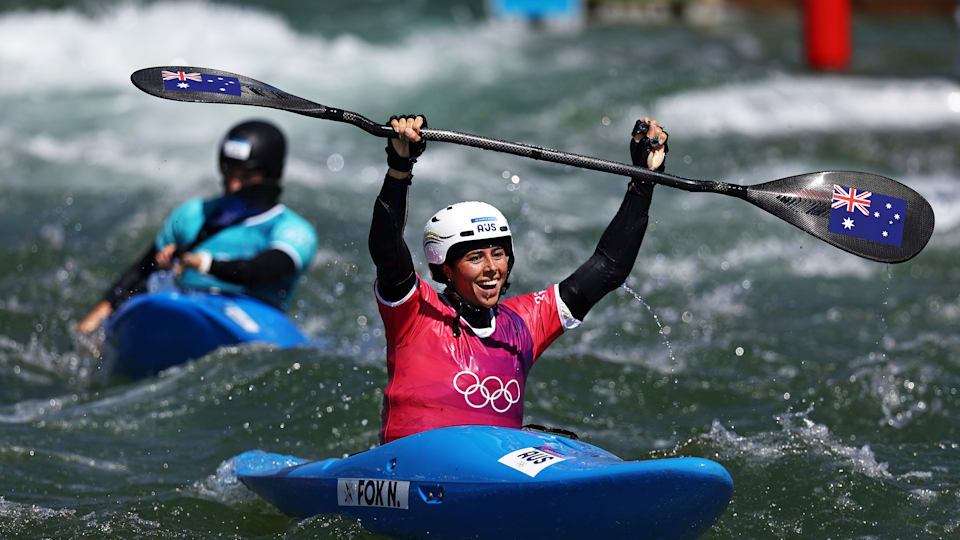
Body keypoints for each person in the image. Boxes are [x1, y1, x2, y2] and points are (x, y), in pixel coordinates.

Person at [368, 114, 667, 444]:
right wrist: (399, 167)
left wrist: (642, 182)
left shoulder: (524, 323)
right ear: (445, 270)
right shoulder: (415, 312)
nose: (492, 267)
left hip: (492, 472)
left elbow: (608, 267)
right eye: (474, 257)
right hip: (407, 469)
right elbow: (386, 246)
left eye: (498, 254)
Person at [77, 119, 318, 334]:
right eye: (229, 172)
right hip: (185, 305)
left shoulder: (292, 230)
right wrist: (95, 319)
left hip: (252, 312)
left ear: (270, 175)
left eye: (246, 176)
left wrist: (202, 263)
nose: (233, 186)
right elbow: (141, 271)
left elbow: (260, 271)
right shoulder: (193, 214)